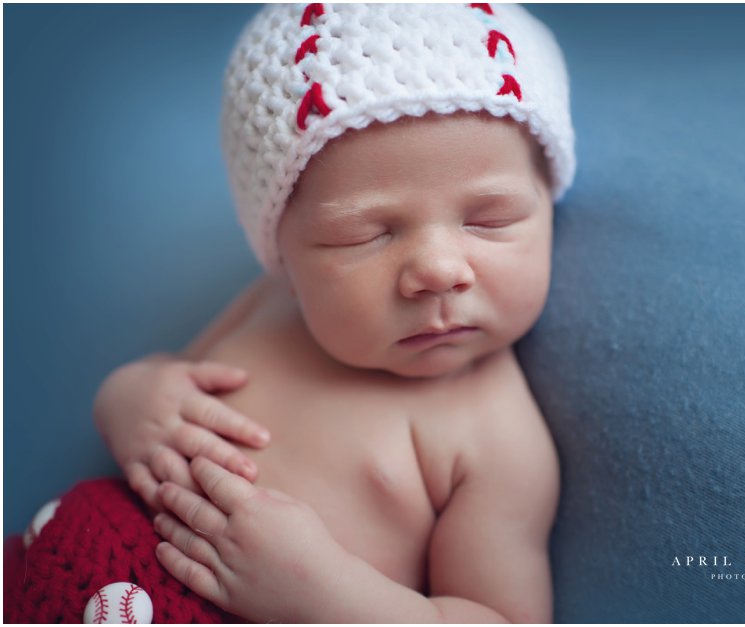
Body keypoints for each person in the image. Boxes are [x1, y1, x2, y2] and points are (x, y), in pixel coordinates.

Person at [92, 3, 575, 623]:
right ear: (284, 259)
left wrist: (330, 597)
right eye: (362, 235)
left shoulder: (496, 438)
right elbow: (171, 377)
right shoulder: (268, 307)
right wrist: (131, 399)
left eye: (490, 220)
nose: (437, 270)